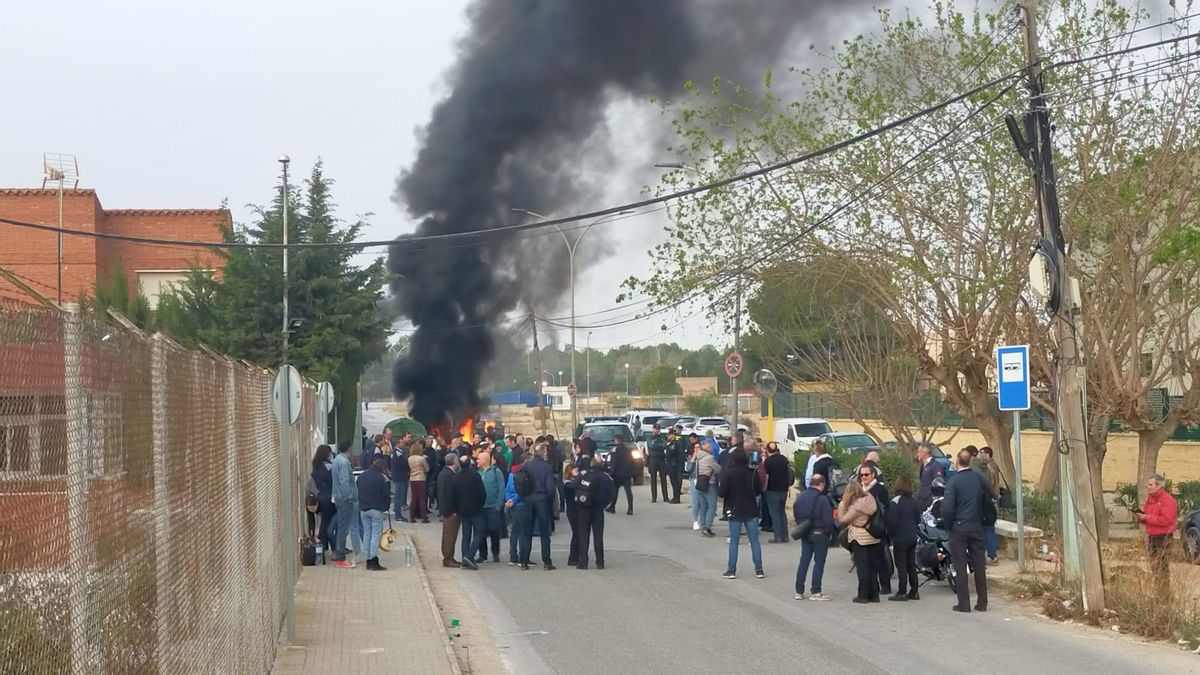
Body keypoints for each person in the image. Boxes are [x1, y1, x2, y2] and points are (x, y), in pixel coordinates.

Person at [942, 449, 994, 612]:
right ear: (970, 461)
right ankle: (982, 602)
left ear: (958, 462)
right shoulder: (979, 478)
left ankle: (964, 603)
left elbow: (948, 508)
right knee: (979, 565)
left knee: (960, 565)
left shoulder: (954, 481)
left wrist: (948, 526)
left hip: (959, 527)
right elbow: (992, 496)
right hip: (977, 526)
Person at [718, 450, 764, 579]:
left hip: (734, 509)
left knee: (734, 541)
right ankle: (759, 569)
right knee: (754, 540)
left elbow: (722, 492)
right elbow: (758, 491)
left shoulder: (729, 473)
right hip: (751, 509)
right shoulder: (752, 473)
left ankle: (731, 570)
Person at [838, 479, 882, 603]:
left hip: (860, 538)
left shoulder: (856, 507)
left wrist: (842, 504)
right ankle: (874, 595)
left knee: (862, 568)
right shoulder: (869, 498)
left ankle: (862, 595)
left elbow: (843, 519)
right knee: (872, 568)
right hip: (873, 537)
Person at [793, 474, 836, 601]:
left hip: (805, 532)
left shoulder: (800, 497)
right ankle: (815, 591)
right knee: (819, 562)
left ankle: (799, 590)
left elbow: (796, 514)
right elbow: (828, 520)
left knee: (804, 561)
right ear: (821, 484)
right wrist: (830, 533)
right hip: (820, 532)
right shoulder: (822, 499)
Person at [568, 456, 613, 569]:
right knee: (598, 536)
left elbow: (573, 486)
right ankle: (600, 562)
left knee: (583, 535)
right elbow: (611, 493)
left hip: (584, 509)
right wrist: (604, 504)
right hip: (598, 509)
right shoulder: (605, 477)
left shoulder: (584, 474)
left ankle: (583, 562)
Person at [521, 443, 559, 570]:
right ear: (543, 452)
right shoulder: (547, 467)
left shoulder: (527, 465)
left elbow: (521, 481)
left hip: (528, 500)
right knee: (544, 532)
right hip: (542, 500)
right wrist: (549, 500)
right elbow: (550, 488)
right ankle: (547, 562)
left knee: (527, 531)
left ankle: (524, 561)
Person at [1138, 473, 1178, 590]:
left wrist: (1147, 518)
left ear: (1159, 486)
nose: (1148, 487)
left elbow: (1166, 520)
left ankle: (1164, 596)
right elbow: (1149, 517)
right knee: (1154, 567)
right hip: (1152, 536)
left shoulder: (1168, 500)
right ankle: (1158, 593)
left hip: (1164, 537)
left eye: (1150, 484)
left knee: (1162, 567)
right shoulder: (1150, 500)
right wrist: (1141, 518)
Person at [885, 476, 921, 601]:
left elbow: (892, 520)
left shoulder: (896, 501)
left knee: (901, 564)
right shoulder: (913, 500)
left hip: (900, 537)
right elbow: (918, 519)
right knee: (911, 563)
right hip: (912, 535)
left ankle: (902, 591)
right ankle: (914, 591)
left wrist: (891, 534)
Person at [860, 463, 892, 595]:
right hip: (862, 528)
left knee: (880, 559)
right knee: (866, 559)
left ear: (873, 475)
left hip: (877, 527)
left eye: (866, 474)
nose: (863, 477)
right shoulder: (859, 489)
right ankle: (873, 586)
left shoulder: (880, 489)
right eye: (861, 475)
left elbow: (886, 509)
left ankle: (885, 586)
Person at [453, 449, 487, 570]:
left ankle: (464, 559)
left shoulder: (456, 477)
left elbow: (454, 495)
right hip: (476, 509)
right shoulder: (475, 476)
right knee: (479, 532)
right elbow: (482, 493)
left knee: (466, 535)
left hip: (463, 510)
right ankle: (470, 555)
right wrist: (480, 504)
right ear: (470, 463)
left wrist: (457, 508)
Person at [357, 458, 391, 571]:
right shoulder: (382, 478)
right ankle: (374, 560)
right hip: (376, 509)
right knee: (375, 535)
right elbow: (386, 495)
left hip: (364, 509)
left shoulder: (362, 476)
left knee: (367, 534)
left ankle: (367, 559)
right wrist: (386, 507)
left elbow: (358, 490)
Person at [330, 440, 359, 568]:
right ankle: (341, 558)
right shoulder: (344, 462)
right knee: (343, 528)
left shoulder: (336, 460)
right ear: (349, 449)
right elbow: (345, 482)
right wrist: (349, 497)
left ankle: (339, 555)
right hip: (345, 499)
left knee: (341, 527)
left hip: (338, 497)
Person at [475, 450, 506, 564]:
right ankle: (482, 554)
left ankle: (495, 552)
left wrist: (499, 504)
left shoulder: (496, 472)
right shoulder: (477, 472)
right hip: (480, 507)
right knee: (481, 531)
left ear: (486, 460)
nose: (477, 460)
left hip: (493, 506)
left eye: (479, 458)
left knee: (494, 530)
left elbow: (501, 488)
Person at [436, 450, 462, 567]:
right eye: (457, 461)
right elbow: (451, 494)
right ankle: (447, 559)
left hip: (446, 509)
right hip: (450, 511)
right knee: (450, 535)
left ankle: (450, 557)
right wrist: (454, 510)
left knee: (449, 534)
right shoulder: (449, 475)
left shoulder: (443, 473)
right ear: (454, 462)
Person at [311, 445, 337, 555]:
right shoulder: (329, 467)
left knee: (324, 522)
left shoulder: (316, 468)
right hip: (330, 498)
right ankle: (333, 547)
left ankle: (323, 545)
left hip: (320, 498)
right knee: (331, 524)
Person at [763, 442, 791, 543]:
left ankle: (778, 536)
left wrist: (764, 488)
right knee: (782, 512)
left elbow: (766, 477)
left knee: (774, 514)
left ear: (767, 450)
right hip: (783, 490)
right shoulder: (783, 459)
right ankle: (785, 535)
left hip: (772, 490)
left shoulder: (768, 462)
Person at [979, 447, 1002, 564]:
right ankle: (990, 553)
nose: (979, 455)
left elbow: (990, 484)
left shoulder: (990, 467)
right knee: (988, 528)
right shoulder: (989, 466)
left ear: (987, 454)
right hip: (990, 500)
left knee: (989, 528)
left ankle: (992, 555)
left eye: (981, 453)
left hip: (990, 501)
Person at [505, 454, 528, 567]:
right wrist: (514, 500)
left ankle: (512, 556)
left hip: (512, 505)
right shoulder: (522, 474)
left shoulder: (510, 474)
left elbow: (507, 489)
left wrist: (509, 500)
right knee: (522, 532)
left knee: (514, 531)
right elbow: (522, 490)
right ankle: (522, 556)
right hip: (521, 504)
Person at [693, 439, 720, 537]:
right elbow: (717, 469)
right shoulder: (710, 458)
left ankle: (703, 526)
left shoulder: (698, 457)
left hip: (700, 483)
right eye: (709, 447)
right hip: (710, 483)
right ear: (704, 447)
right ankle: (707, 527)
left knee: (703, 506)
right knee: (712, 506)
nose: (711, 448)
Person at [606, 434, 635, 515]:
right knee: (628, 491)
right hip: (627, 474)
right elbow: (632, 462)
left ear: (617, 440)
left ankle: (612, 507)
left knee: (614, 491)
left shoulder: (615, 450)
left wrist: (611, 474)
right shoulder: (627, 450)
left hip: (617, 474)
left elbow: (614, 463)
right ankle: (630, 509)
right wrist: (631, 473)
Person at [562, 463, 583, 565]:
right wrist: (580, 477)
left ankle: (577, 555)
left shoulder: (576, 481)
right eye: (575, 470)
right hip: (572, 511)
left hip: (578, 510)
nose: (577, 472)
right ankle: (573, 558)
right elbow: (573, 487)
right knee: (576, 533)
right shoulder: (567, 483)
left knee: (579, 533)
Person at [408, 440, 431, 523]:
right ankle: (423, 517)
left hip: (412, 479)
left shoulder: (409, 458)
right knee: (422, 498)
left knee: (414, 498)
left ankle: (411, 517)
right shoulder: (422, 459)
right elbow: (427, 469)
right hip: (421, 479)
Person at [916, 444, 945, 510]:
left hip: (929, 504)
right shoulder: (923, 465)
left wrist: (931, 499)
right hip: (922, 501)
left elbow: (938, 485)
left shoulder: (936, 466)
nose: (917, 454)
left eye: (918, 452)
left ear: (924, 453)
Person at [647, 424, 669, 503]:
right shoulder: (649, 437)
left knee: (663, 478)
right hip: (653, 459)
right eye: (655, 429)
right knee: (653, 479)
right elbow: (651, 446)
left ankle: (665, 497)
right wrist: (660, 445)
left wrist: (658, 445)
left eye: (658, 429)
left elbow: (665, 445)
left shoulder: (662, 436)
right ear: (653, 429)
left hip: (661, 459)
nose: (657, 430)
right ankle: (654, 497)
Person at [390, 437, 410, 522]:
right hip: (400, 477)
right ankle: (398, 516)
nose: (403, 444)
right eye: (401, 443)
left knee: (398, 496)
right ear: (397, 444)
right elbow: (403, 464)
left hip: (396, 476)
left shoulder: (393, 453)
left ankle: (397, 512)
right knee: (399, 496)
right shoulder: (398, 453)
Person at [666, 426, 686, 503]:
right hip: (672, 465)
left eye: (669, 435)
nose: (667, 436)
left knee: (676, 482)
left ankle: (676, 498)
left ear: (672, 435)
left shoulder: (677, 442)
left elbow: (675, 452)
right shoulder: (671, 442)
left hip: (676, 465)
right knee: (674, 482)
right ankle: (675, 497)